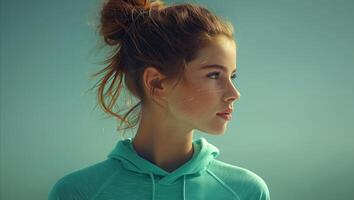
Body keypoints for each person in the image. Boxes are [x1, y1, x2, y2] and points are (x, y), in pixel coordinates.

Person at [48, 0, 271, 199]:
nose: (235, 93)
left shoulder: (247, 192)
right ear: (156, 82)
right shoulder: (76, 193)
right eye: (214, 75)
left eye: (232, 76)